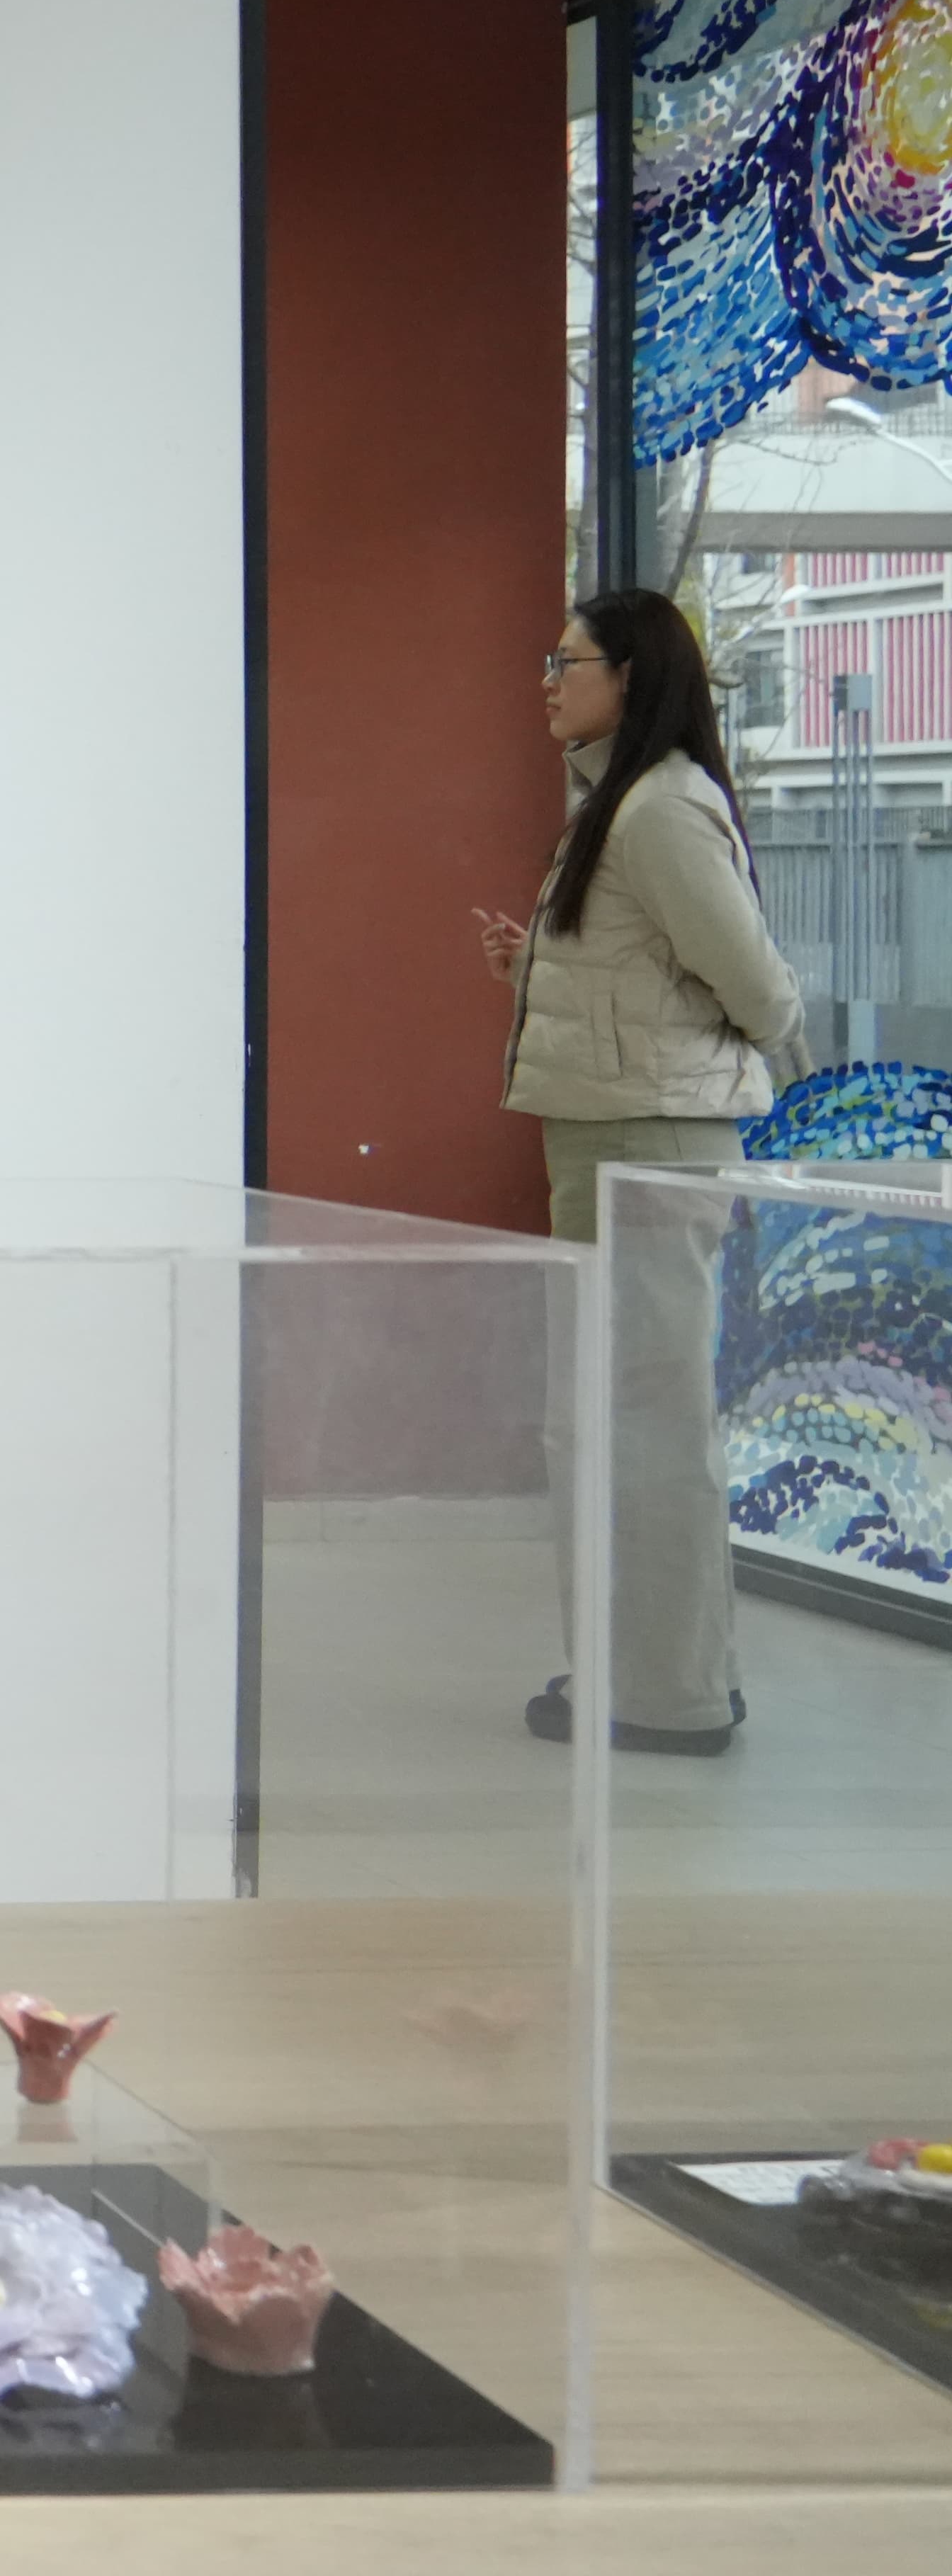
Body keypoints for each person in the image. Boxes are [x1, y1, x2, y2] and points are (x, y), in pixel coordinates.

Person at [474, 589, 800, 1756]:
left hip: (651, 1145)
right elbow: (649, 976)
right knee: (612, 1418)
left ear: (631, 674)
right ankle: (642, 1669)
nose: (547, 681)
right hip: (614, 1136)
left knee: (645, 1424)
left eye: (566, 661)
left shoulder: (659, 809)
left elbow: (759, 989)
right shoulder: (621, 803)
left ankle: (669, 1696)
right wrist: (540, 968)